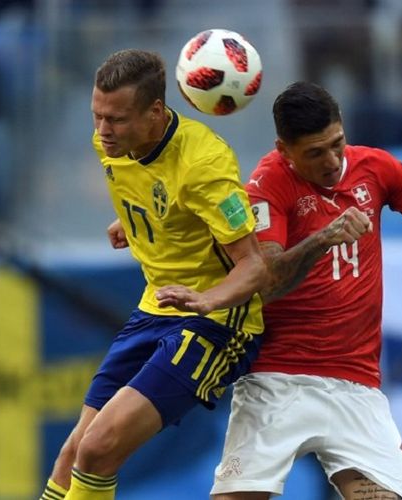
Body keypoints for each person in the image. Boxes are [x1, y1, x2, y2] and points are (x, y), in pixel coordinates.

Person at [210, 82, 402, 500]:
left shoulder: (376, 168)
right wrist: (323, 238)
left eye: (337, 143)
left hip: (355, 385)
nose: (332, 160)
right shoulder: (267, 185)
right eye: (315, 152)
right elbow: (264, 283)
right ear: (284, 150)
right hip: (278, 378)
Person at [40, 49, 267, 500]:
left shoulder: (205, 166)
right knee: (71, 454)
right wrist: (132, 219)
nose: (103, 131)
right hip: (154, 307)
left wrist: (209, 301)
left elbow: (254, 266)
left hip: (216, 321)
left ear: (156, 113)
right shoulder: (111, 143)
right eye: (97, 116)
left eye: (117, 119)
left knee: (99, 448)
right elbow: (153, 192)